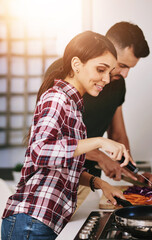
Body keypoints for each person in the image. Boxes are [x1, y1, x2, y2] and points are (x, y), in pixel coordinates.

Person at [1, 31, 133, 240]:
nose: (107, 79)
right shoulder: (57, 99)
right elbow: (39, 152)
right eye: (101, 69)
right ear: (76, 64)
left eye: (109, 72)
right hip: (32, 222)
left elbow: (63, 170)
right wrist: (99, 142)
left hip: (41, 221)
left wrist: (101, 184)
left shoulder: (73, 107)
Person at [45, 22, 152, 186]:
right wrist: (100, 155)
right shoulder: (62, 72)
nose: (125, 74)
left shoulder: (117, 83)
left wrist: (134, 173)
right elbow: (53, 140)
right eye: (122, 66)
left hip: (91, 181)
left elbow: (118, 135)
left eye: (130, 68)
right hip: (56, 180)